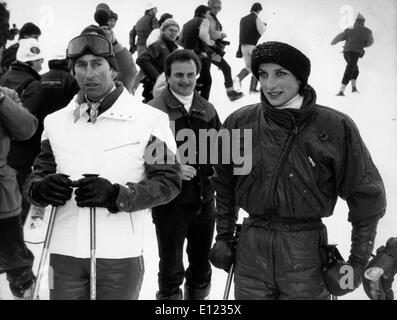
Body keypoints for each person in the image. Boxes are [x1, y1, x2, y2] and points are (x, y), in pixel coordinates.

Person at [209, 41, 386, 300]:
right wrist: (224, 236)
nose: (269, 85)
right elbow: (224, 184)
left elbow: (367, 198)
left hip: (305, 255)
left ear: (300, 79)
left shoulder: (335, 127)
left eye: (280, 73)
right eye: (263, 74)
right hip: (250, 253)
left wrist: (355, 267)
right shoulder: (239, 122)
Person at [23, 30, 182, 300]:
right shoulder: (55, 123)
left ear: (113, 70)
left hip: (119, 255)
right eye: (81, 66)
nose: (89, 73)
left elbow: (168, 181)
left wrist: (118, 195)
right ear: (73, 71)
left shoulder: (149, 120)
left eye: (97, 64)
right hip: (64, 254)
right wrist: (40, 189)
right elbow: (38, 175)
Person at [148, 49, 221, 300]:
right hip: (170, 203)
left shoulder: (207, 110)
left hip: (203, 200)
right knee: (171, 267)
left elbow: (219, 151)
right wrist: (174, 168)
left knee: (201, 265)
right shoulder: (154, 111)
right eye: (179, 75)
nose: (186, 80)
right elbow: (143, 155)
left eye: (191, 74)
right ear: (167, 77)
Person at [0, 38, 45, 225]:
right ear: (30, 62)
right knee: (17, 205)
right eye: (39, 60)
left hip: (4, 151)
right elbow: (25, 123)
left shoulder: (4, 78)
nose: (42, 63)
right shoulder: (34, 85)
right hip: (23, 152)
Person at [0, 86, 38, 299]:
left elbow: (27, 129)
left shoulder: (7, 95)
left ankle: (25, 292)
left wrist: (2, 100)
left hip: (3, 200)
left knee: (17, 263)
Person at [206, 0, 243, 101]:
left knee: (204, 73)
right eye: (215, 7)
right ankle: (231, 93)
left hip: (210, 50)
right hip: (209, 50)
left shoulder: (212, 17)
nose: (217, 10)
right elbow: (211, 33)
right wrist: (221, 35)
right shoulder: (208, 17)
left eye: (219, 8)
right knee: (226, 68)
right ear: (210, 6)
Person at [136, 18, 179, 103]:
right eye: (170, 30)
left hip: (165, 89)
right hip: (153, 88)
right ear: (163, 30)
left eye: (176, 31)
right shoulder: (158, 45)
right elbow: (142, 60)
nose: (173, 33)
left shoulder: (173, 48)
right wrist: (158, 77)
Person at [331, 13, 374, 96]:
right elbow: (370, 42)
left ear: (356, 21)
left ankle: (353, 88)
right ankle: (341, 91)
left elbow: (340, 36)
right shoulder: (367, 31)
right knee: (350, 69)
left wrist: (334, 42)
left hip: (346, 53)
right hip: (355, 53)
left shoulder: (349, 29)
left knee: (355, 70)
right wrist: (362, 45)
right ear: (363, 22)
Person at [179, 5, 213, 101]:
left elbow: (179, 39)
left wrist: (188, 48)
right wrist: (210, 42)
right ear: (204, 13)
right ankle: (204, 104)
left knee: (198, 78)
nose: (209, 16)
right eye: (208, 13)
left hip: (187, 55)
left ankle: (192, 97)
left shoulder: (186, 24)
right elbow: (203, 35)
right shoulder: (204, 21)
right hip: (200, 55)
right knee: (207, 81)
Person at [235, 2, 266, 93]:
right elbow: (263, 31)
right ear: (258, 10)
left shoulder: (243, 19)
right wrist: (264, 25)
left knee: (249, 67)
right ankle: (253, 89)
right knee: (258, 66)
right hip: (252, 46)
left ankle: (239, 77)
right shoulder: (256, 18)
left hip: (243, 46)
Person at [129, 2, 159, 94]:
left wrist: (132, 45)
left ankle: (133, 89)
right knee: (146, 69)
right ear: (150, 10)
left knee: (145, 69)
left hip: (140, 47)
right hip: (148, 47)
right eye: (155, 9)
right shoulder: (153, 19)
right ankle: (132, 89)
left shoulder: (139, 20)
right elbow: (156, 32)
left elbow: (131, 32)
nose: (156, 10)